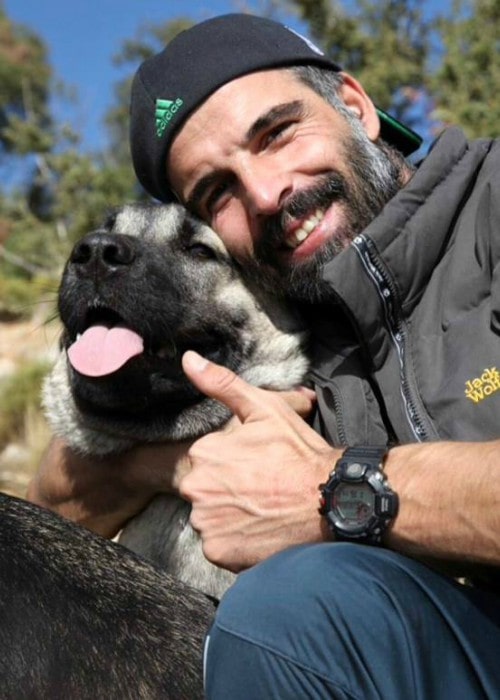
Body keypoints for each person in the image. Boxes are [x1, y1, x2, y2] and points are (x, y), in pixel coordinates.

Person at [28, 13, 500, 698]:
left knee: (292, 602)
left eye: (276, 133)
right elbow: (53, 510)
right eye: (218, 191)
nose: (265, 193)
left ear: (356, 105)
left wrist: (341, 492)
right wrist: (165, 462)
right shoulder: (289, 316)